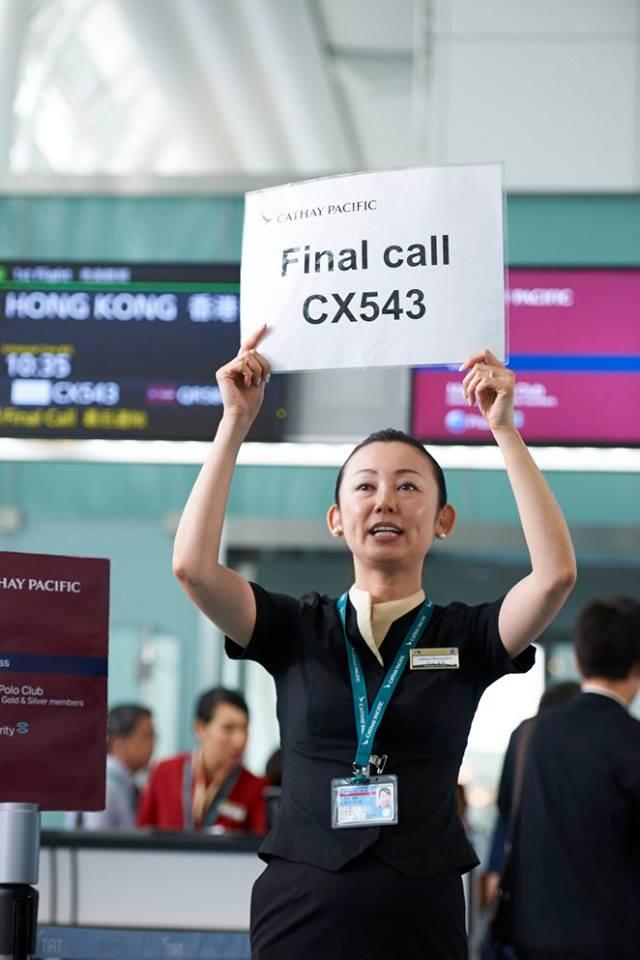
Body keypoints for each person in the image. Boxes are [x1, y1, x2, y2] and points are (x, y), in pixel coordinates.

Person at [172, 328, 576, 959]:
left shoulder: (463, 636)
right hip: (302, 904)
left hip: (422, 907)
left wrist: (505, 428)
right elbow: (194, 568)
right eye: (364, 486)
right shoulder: (294, 628)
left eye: (409, 486)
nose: (386, 498)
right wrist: (234, 422)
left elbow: (554, 576)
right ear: (337, 519)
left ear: (443, 520)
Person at [508, 598, 640, 960]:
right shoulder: (631, 740)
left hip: (533, 933)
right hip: (616, 937)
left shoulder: (533, 734)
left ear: (579, 662)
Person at [137, 686, 267, 833]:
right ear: (200, 728)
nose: (240, 740)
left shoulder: (255, 787)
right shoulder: (165, 772)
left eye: (244, 729)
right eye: (228, 729)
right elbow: (143, 833)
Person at [67, 703, 155, 829]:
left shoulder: (118, 784)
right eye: (147, 736)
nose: (153, 745)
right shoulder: (105, 788)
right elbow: (94, 841)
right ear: (117, 743)